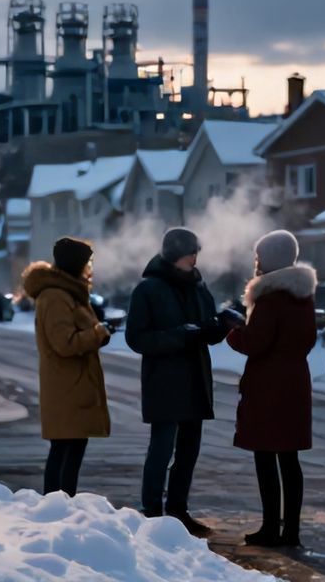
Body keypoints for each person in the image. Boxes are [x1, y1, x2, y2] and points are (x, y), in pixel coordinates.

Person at [126, 228, 228, 537]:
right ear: (173, 255)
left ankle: (178, 509)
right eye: (189, 252)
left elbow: (205, 326)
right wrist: (181, 335)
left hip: (195, 378)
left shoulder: (198, 286)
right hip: (165, 382)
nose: (194, 258)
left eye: (196, 252)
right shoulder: (148, 290)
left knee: (188, 451)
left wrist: (220, 327)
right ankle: (152, 509)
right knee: (162, 448)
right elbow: (136, 338)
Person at [225, 230, 317, 548]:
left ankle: (269, 528)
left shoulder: (270, 298)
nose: (256, 262)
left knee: (265, 456)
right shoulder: (303, 296)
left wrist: (234, 331)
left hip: (268, 385)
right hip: (295, 381)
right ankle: (291, 530)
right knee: (289, 459)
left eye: (259, 256)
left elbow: (255, 342)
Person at [23, 237, 112, 497]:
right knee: (65, 451)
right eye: (87, 263)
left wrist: (100, 333)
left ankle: (61, 505)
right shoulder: (55, 296)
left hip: (73, 386)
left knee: (70, 449)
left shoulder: (68, 292)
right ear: (75, 264)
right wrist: (97, 333)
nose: (89, 268)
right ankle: (58, 506)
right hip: (66, 388)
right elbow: (64, 343)